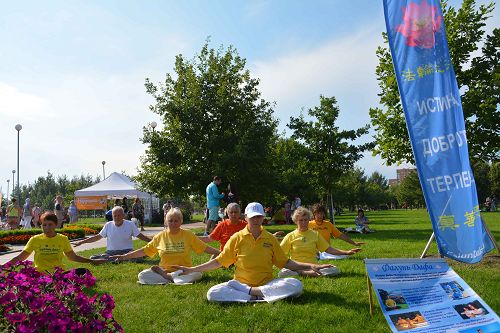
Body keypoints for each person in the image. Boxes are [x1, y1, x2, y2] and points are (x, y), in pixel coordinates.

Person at [173, 202, 333, 303]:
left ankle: (252, 294)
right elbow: (218, 261)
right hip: (240, 284)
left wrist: (311, 266)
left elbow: (286, 263)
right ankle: (260, 295)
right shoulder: (237, 237)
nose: (256, 220)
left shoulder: (269, 238)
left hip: (266, 283)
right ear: (246, 218)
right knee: (212, 293)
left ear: (263, 217)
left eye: (259, 217)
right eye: (252, 217)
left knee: (296, 285)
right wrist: (192, 270)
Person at [110, 207, 220, 285]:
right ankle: (173, 279)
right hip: (164, 271)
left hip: (184, 271)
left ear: (181, 221)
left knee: (198, 273)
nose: (173, 223)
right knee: (142, 275)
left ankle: (171, 279)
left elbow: (205, 248)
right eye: (170, 221)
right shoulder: (160, 236)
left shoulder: (188, 235)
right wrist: (123, 257)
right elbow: (144, 251)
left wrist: (220, 253)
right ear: (166, 222)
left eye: (176, 221)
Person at [5, 211, 106, 274]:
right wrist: (4, 267)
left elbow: (73, 257)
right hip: (40, 275)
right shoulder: (35, 239)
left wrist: (91, 261)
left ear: (56, 225)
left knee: (84, 272)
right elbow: (20, 258)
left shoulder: (63, 239)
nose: (47, 228)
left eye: (50, 225)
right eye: (44, 225)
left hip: (59, 274)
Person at [279, 207, 361, 277]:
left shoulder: (315, 234)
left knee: (334, 269)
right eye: (300, 220)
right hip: (296, 266)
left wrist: (347, 252)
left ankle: (305, 272)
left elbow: (328, 249)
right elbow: (279, 253)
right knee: (283, 272)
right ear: (296, 221)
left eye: (305, 220)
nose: (303, 223)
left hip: (313, 266)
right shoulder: (290, 236)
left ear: (309, 220)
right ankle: (303, 272)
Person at [73, 206, 151, 261]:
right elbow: (97, 237)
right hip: (111, 253)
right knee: (93, 257)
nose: (116, 218)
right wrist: (81, 242)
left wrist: (154, 241)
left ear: (123, 215)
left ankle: (121, 259)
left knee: (137, 257)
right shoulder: (108, 225)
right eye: (115, 216)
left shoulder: (130, 224)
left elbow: (141, 236)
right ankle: (120, 259)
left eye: (119, 215)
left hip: (127, 252)